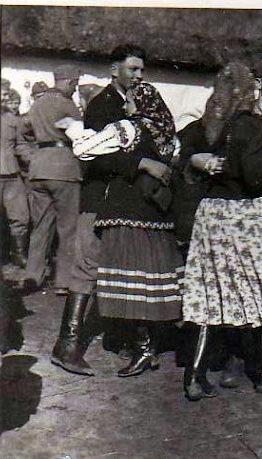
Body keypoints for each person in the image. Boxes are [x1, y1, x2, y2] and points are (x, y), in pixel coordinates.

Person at [181, 58, 262, 398]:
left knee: (214, 292)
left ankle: (197, 375)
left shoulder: (230, 121)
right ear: (256, 84)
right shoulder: (246, 122)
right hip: (250, 214)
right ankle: (260, 373)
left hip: (218, 214)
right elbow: (253, 175)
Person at [50, 44, 163, 377]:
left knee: (119, 265)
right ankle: (67, 344)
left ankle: (134, 342)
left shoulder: (131, 103)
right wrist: (142, 163)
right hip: (99, 199)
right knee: (88, 265)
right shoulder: (103, 105)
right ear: (115, 70)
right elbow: (97, 156)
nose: (138, 75)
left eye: (141, 70)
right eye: (132, 69)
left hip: (121, 201)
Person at [60, 82, 183, 377]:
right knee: (147, 281)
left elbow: (84, 150)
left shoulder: (128, 127)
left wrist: (75, 130)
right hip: (155, 215)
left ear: (139, 104)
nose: (125, 106)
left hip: (125, 213)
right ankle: (147, 347)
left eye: (129, 101)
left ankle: (139, 348)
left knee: (124, 280)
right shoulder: (168, 133)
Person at [172, 62, 256, 396]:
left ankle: (195, 373)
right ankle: (223, 364)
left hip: (203, 218)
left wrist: (195, 159)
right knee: (231, 292)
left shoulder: (201, 127)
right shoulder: (244, 127)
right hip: (231, 217)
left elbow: (182, 159)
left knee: (207, 293)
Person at [18, 65, 82, 294]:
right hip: (64, 169)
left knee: (40, 226)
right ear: (68, 81)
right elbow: (80, 134)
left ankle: (32, 276)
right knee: (68, 227)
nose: (75, 89)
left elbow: (22, 130)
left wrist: (33, 153)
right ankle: (64, 281)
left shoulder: (37, 103)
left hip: (39, 168)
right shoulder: (67, 105)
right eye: (75, 84)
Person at [0, 86, 30, 268]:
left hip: (11, 174)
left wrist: (34, 160)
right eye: (3, 94)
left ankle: (18, 254)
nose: (6, 97)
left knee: (20, 215)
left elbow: (20, 145)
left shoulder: (11, 120)